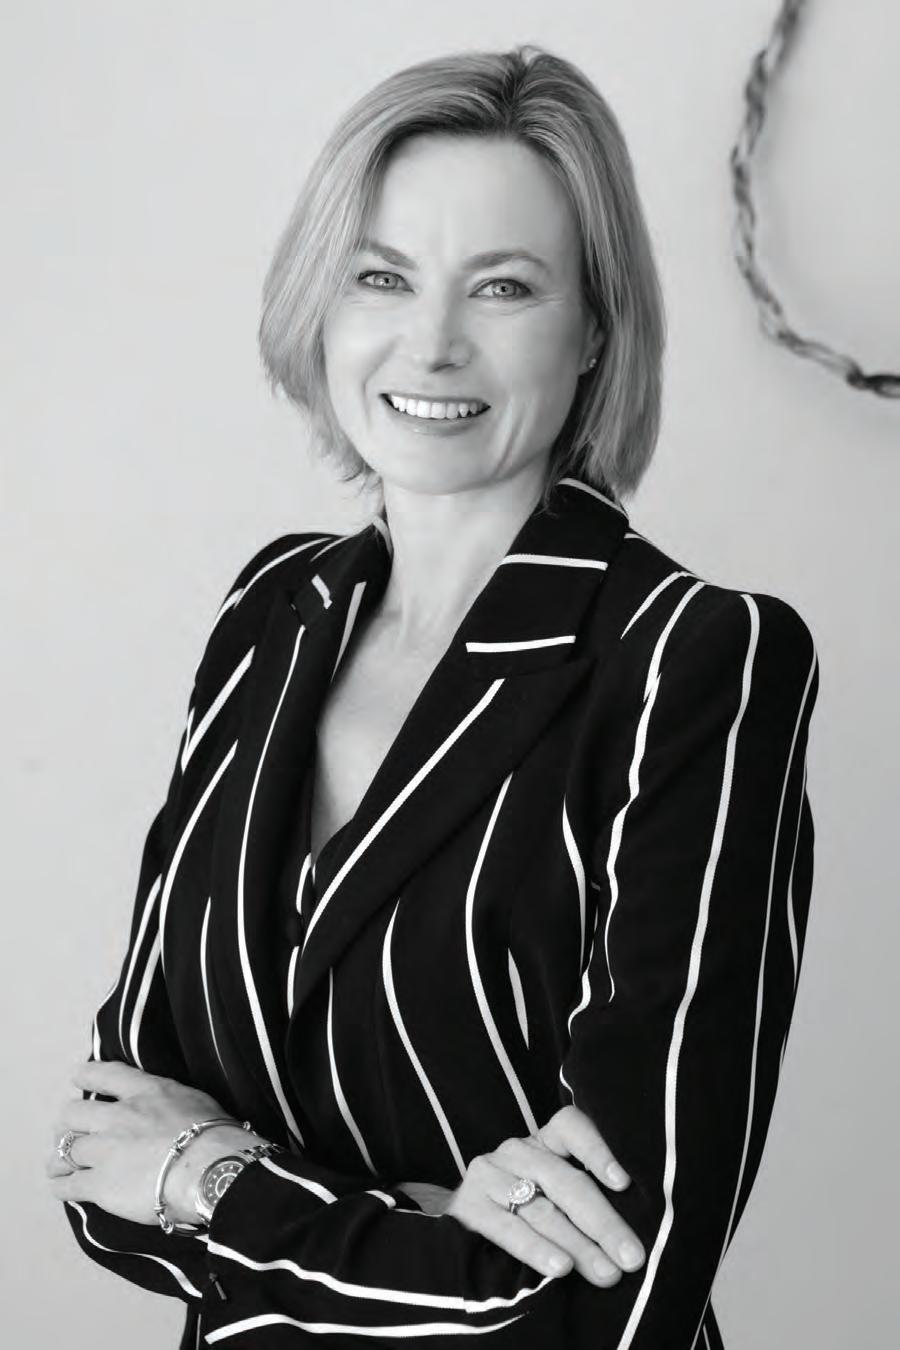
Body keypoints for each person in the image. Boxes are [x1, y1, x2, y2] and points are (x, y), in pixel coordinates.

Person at [47, 43, 820, 1350]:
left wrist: (215, 1179)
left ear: (595, 328)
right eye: (382, 276)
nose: (433, 340)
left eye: (504, 286)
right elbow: (102, 1150)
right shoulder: (272, 611)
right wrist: (426, 1223)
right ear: (324, 302)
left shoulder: (693, 658)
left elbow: (608, 1303)